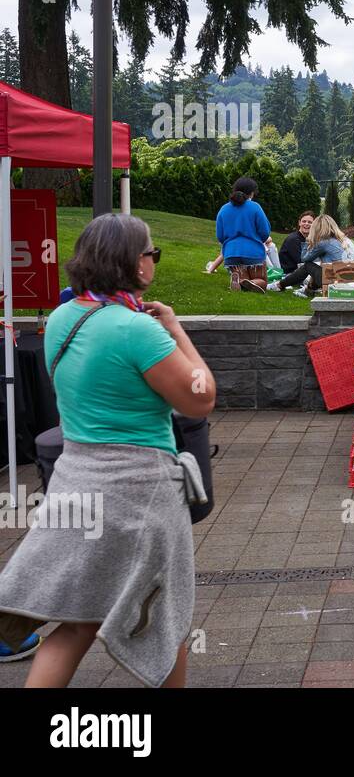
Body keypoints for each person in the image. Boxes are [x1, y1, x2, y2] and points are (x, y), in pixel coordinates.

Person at [0, 213, 216, 687]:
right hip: (140, 491)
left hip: (76, 479)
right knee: (164, 613)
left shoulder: (61, 319)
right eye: (151, 252)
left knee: (77, 621)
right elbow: (199, 398)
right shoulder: (138, 331)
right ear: (133, 264)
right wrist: (176, 330)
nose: (153, 260)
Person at [215, 176, 271, 292]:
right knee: (262, 282)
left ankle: (239, 281)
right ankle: (247, 282)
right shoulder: (255, 207)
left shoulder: (224, 209)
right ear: (251, 193)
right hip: (253, 253)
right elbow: (265, 232)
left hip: (231, 254)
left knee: (243, 282)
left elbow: (220, 236)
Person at [269, 214, 348, 296]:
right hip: (348, 278)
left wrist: (307, 241)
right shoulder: (343, 240)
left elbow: (304, 259)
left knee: (308, 265)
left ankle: (279, 285)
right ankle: (308, 290)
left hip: (333, 281)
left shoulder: (323, 242)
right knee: (318, 268)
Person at [279, 210, 315, 275]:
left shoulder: (307, 239)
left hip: (299, 271)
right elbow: (301, 262)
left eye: (310, 222)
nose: (306, 224)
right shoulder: (293, 239)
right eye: (304, 221)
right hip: (289, 274)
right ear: (299, 223)